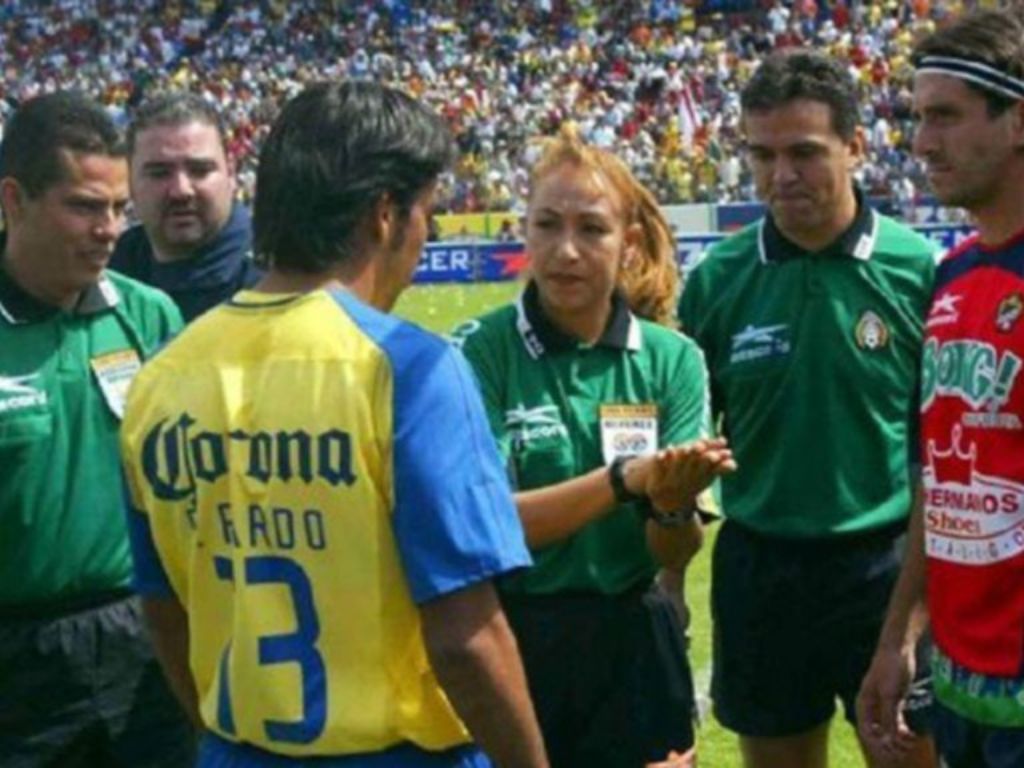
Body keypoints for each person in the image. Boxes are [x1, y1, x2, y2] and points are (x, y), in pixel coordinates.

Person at [120, 81, 549, 768]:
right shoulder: (411, 369)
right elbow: (465, 637)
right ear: (384, 214)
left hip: (238, 749)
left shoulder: (159, 382)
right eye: (426, 213)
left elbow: (165, 610)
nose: (425, 236)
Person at [678, 50, 939, 768]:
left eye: (804, 152)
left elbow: (940, 454)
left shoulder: (918, 271)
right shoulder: (717, 282)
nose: (780, 174)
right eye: (761, 154)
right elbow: (688, 445)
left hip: (884, 568)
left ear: (855, 147)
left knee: (910, 757)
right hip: (761, 566)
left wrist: (915, 614)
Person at [451, 123, 735, 768]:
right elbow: (492, 526)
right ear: (523, 231)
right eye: (547, 225)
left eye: (592, 229)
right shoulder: (481, 349)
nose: (567, 250)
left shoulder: (672, 359)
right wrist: (627, 480)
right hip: (516, 632)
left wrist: (668, 503)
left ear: (628, 244)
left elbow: (676, 549)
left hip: (634, 634)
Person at [0, 92, 193, 765]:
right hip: (17, 664)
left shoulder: (150, 316)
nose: (109, 228)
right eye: (84, 206)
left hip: (146, 642)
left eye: (117, 208)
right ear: (14, 199)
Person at [857, 9, 1024, 768]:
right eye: (920, 118)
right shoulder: (952, 276)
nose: (922, 143)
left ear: (1017, 121)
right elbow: (938, 479)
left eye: (946, 118)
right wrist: (899, 635)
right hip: (962, 688)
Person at [111, 92, 261, 322]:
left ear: (231, 172)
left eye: (200, 170)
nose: (181, 191)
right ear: (128, 178)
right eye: (159, 173)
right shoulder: (108, 272)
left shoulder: (274, 280)